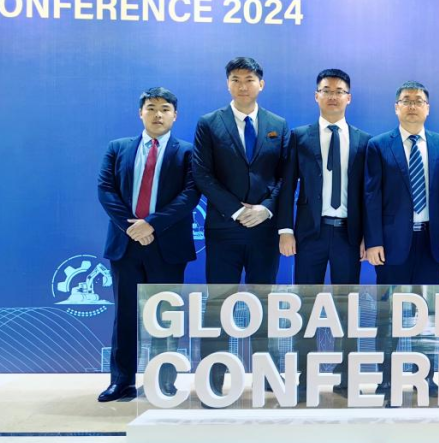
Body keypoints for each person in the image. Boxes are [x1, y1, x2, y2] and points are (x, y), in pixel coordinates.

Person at [96, 87, 199, 402]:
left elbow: (190, 194)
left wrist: (151, 224)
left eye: (165, 109)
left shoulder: (187, 152)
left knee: (165, 317)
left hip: (167, 246)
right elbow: (105, 189)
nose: (158, 114)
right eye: (151, 108)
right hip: (126, 244)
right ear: (140, 113)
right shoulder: (118, 148)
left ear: (175, 115)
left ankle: (163, 381)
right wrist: (133, 228)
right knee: (125, 315)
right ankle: (121, 381)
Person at [193, 57, 288, 395]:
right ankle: (213, 381)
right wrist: (236, 211)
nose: (242, 85)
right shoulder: (209, 123)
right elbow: (202, 173)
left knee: (264, 303)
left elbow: (285, 177)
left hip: (264, 230)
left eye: (249, 79)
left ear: (261, 83)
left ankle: (266, 378)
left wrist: (266, 209)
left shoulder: (278, 125)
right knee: (218, 304)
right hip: (224, 229)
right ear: (227, 84)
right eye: (235, 79)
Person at [277, 68, 371, 399]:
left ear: (349, 98)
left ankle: (347, 378)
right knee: (306, 307)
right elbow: (286, 186)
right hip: (309, 235)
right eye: (326, 90)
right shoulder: (299, 136)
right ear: (317, 96)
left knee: (348, 308)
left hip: (348, 234)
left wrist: (368, 236)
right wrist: (285, 229)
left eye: (339, 91)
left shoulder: (363, 141)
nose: (333, 96)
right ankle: (305, 378)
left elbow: (368, 194)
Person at [364, 81, 439, 285]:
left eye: (418, 101)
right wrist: (374, 242)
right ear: (396, 107)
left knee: (428, 303)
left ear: (427, 108)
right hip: (391, 243)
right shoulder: (378, 146)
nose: (412, 106)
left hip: (432, 242)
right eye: (406, 101)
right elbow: (371, 198)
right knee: (390, 303)